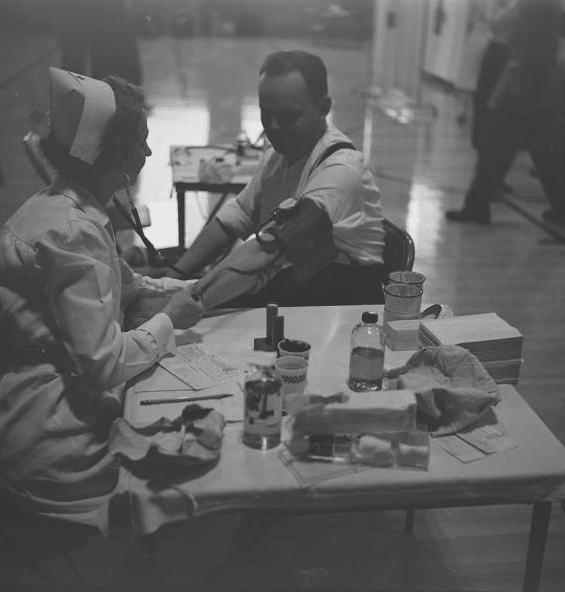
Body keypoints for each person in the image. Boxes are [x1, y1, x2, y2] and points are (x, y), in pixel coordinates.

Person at [0, 68, 203, 532]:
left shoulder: (68, 206)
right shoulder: (74, 231)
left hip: (26, 415)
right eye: (141, 140)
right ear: (112, 150)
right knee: (178, 490)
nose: (149, 151)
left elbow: (121, 284)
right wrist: (169, 321)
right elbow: (102, 363)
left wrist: (186, 290)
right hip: (49, 440)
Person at [172, 49, 386, 308]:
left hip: (343, 305)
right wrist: (173, 278)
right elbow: (234, 219)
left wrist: (184, 302)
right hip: (301, 286)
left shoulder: (342, 171)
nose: (272, 126)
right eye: (266, 113)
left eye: (287, 116)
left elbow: (268, 249)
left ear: (324, 108)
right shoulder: (279, 154)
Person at [446, 0, 565, 225]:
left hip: (522, 89)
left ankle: (477, 206)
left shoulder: (534, 6)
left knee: (495, 148)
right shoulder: (549, 6)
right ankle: (561, 207)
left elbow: (522, 49)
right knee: (544, 153)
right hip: (537, 88)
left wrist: (505, 93)